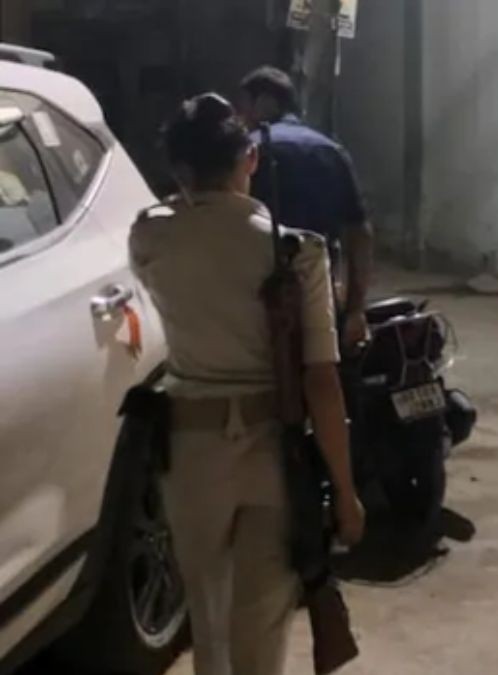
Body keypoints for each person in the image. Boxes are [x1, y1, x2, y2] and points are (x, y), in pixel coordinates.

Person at [129, 93, 365, 675]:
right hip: (273, 449)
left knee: (207, 618)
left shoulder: (149, 238)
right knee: (260, 620)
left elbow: (173, 217)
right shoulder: (296, 251)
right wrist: (345, 489)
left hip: (189, 448)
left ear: (177, 169)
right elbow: (321, 381)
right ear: (251, 158)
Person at [236, 65, 373, 350]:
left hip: (257, 300)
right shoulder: (331, 151)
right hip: (320, 292)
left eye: (245, 107)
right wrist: (356, 310)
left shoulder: (247, 153)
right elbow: (360, 235)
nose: (242, 118)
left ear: (265, 103)